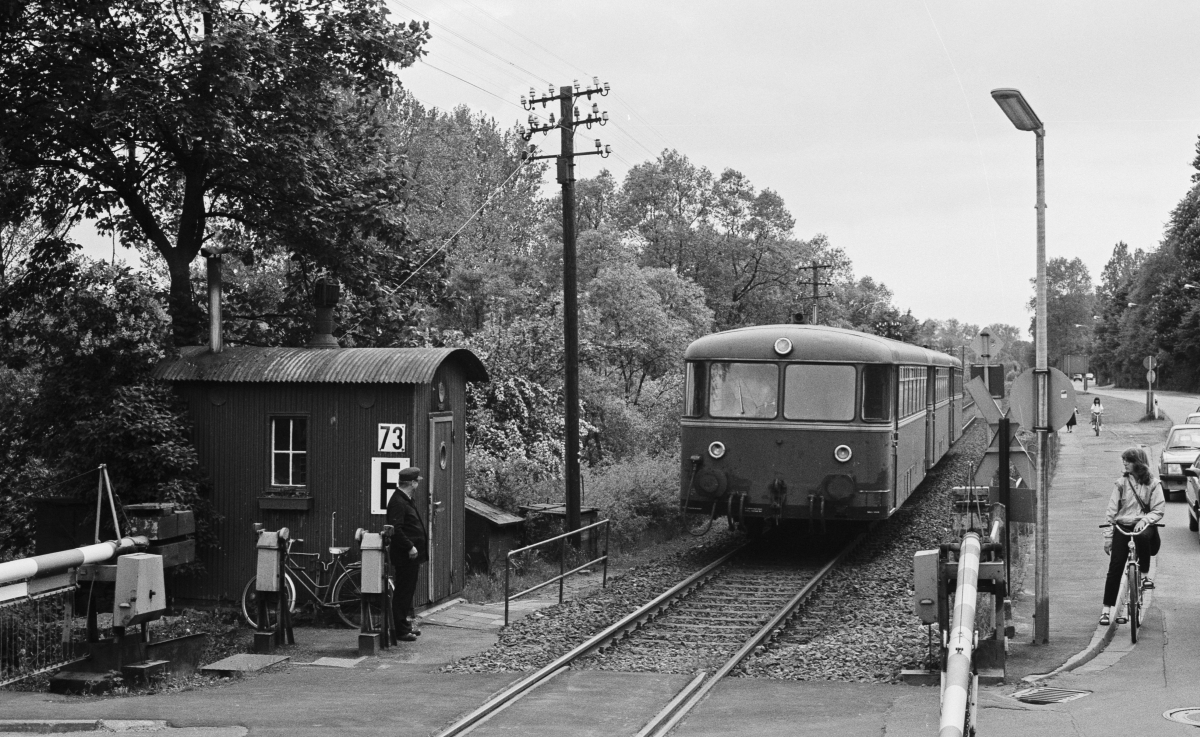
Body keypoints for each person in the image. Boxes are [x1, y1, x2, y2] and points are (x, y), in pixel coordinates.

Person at [1099, 447, 1164, 625]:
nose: (1125, 463)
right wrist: (1108, 536)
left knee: (1142, 536)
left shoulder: (1153, 484)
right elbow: (1111, 511)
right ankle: (1106, 610)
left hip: (1145, 525)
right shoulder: (1121, 483)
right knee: (1116, 566)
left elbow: (1159, 509)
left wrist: (1146, 519)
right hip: (1123, 526)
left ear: (1139, 462)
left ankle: (1144, 576)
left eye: (1128, 460)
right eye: (1124, 460)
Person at [386, 466, 429, 642]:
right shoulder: (398, 501)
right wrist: (410, 546)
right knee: (403, 592)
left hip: (411, 556)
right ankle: (400, 630)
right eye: (416, 481)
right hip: (406, 555)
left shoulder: (405, 499)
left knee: (407, 591)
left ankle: (404, 625)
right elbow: (396, 529)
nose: (418, 484)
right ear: (411, 483)